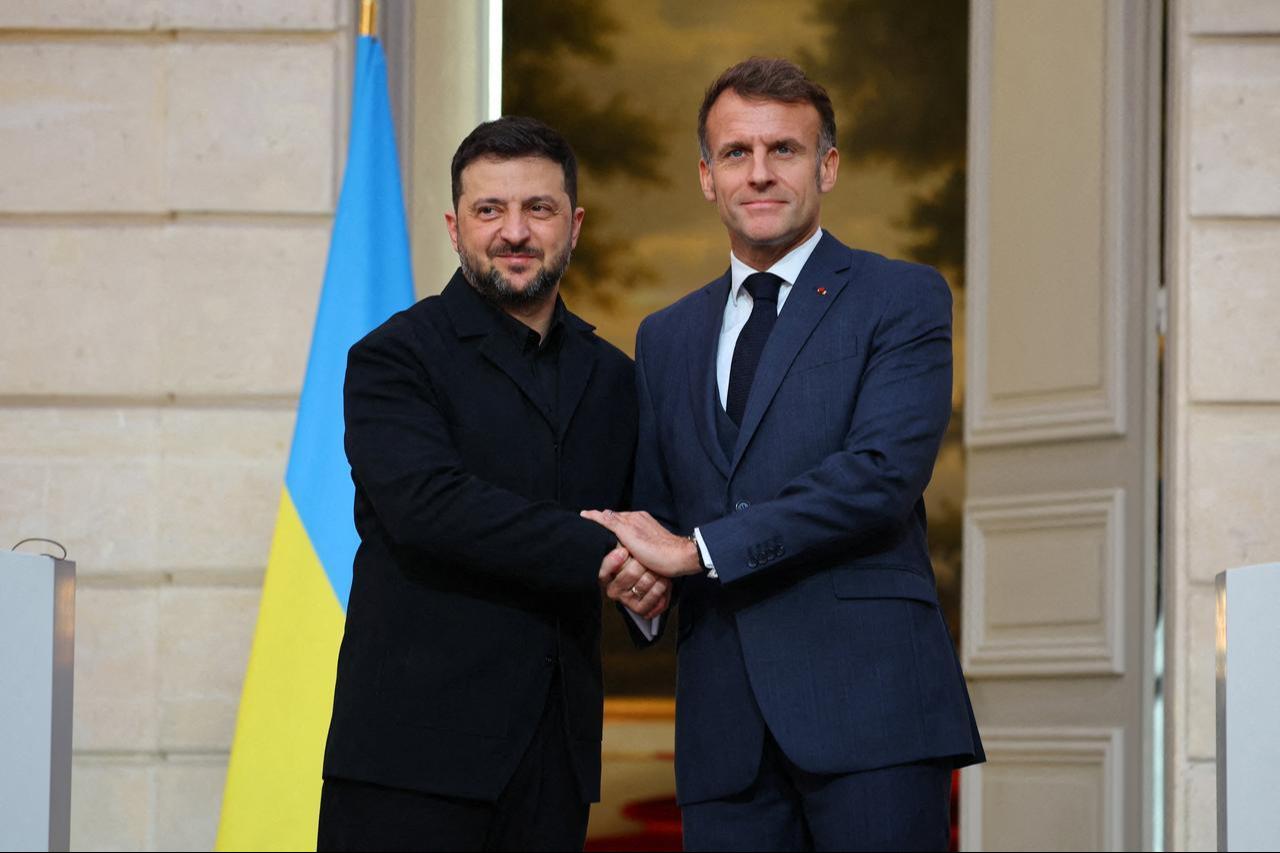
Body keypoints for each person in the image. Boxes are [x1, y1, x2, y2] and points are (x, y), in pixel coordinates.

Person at [584, 58, 984, 851]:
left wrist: (692, 551)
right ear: (707, 176)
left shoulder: (900, 298)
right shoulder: (666, 337)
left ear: (826, 165)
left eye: (785, 151)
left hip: (870, 720)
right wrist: (640, 580)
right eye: (736, 153)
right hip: (723, 735)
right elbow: (662, 511)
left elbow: (879, 478)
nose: (759, 173)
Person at [319, 116, 655, 852]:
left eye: (538, 208)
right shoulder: (392, 359)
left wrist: (656, 577)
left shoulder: (617, 380)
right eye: (489, 210)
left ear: (574, 224)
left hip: (553, 764)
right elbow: (428, 507)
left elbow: (650, 523)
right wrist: (610, 551)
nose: (515, 232)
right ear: (455, 225)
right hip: (411, 759)